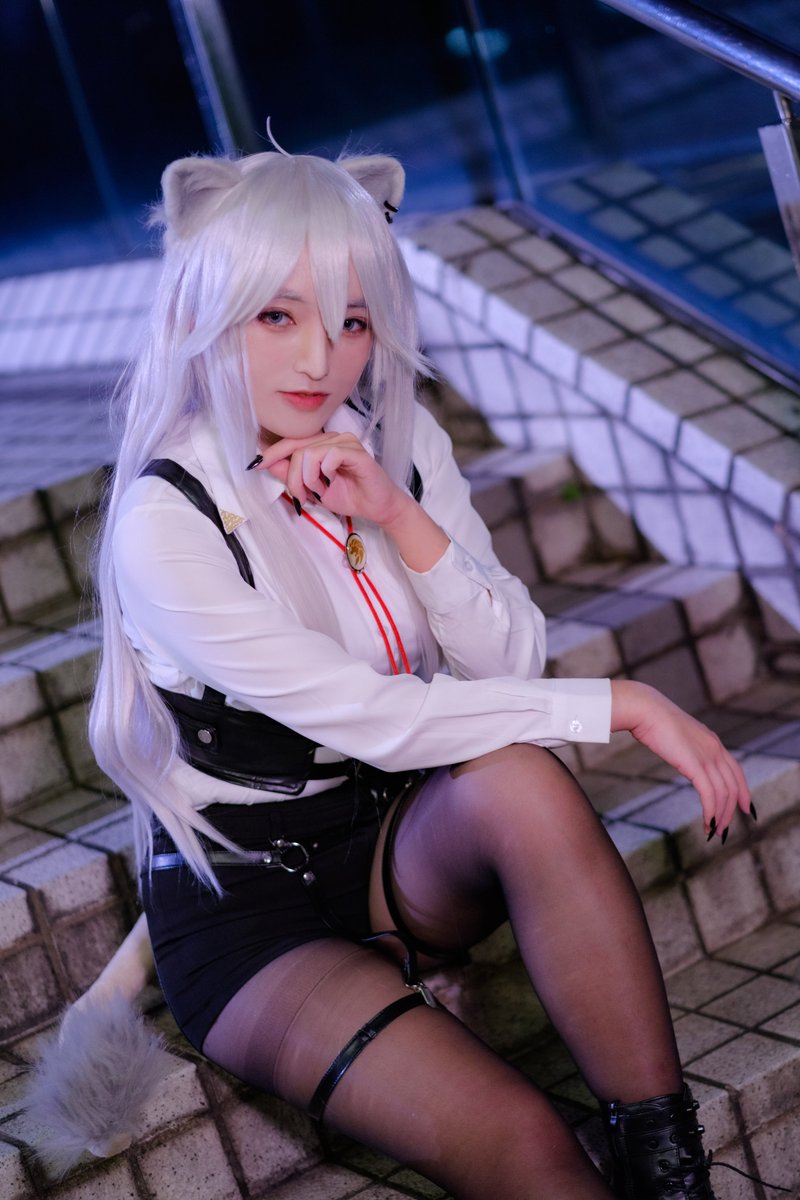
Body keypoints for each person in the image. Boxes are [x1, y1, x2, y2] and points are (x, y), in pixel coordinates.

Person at [75, 143, 751, 1199]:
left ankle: (669, 1166)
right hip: (252, 903)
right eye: (277, 315)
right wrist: (618, 702)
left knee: (521, 780)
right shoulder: (165, 522)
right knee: (525, 1145)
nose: (320, 360)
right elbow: (370, 715)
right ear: (208, 310)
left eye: (352, 321)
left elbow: (509, 659)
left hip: (396, 843)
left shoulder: (398, 440)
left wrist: (397, 513)